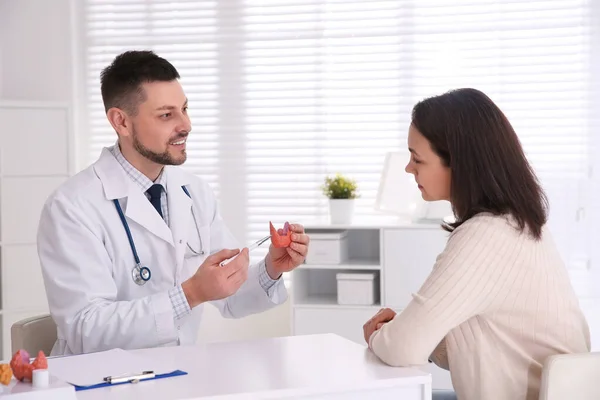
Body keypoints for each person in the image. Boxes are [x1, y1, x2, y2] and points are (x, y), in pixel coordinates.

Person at [37, 50, 310, 356]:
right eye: (167, 115)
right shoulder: (72, 206)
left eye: (185, 109)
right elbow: (86, 330)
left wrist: (272, 268)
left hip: (175, 373)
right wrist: (190, 294)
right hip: (97, 382)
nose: (186, 125)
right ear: (121, 122)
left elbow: (229, 298)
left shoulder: (194, 193)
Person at [362, 88, 590, 400]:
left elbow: (402, 349)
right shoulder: (516, 225)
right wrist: (411, 332)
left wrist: (380, 336)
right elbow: (491, 339)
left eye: (417, 159)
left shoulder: (486, 237)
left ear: (458, 163)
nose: (408, 168)